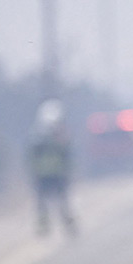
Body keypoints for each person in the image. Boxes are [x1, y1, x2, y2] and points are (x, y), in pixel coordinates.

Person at [28, 98, 76, 236]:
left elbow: (66, 154)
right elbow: (33, 156)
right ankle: (48, 227)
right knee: (50, 203)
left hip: (52, 174)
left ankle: (66, 225)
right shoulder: (39, 136)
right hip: (48, 175)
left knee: (59, 202)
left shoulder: (41, 135)